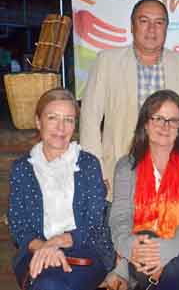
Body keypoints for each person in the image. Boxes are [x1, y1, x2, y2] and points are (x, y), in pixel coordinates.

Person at [80, 0, 179, 201]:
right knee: (121, 230)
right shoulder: (107, 61)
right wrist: (95, 171)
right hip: (119, 174)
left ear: (166, 27)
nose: (151, 30)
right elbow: (89, 118)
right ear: (132, 26)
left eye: (159, 22)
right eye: (144, 21)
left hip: (170, 175)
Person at [7, 88, 115, 290]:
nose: (61, 127)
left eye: (68, 119)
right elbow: (18, 225)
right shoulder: (22, 169)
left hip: (85, 250)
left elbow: (94, 223)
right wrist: (44, 248)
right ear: (38, 122)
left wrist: (56, 242)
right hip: (35, 250)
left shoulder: (88, 164)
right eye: (53, 118)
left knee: (49, 285)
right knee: (48, 283)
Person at [109, 89, 179, 290]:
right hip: (138, 247)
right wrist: (131, 248)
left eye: (173, 120)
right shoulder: (126, 167)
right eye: (158, 118)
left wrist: (167, 250)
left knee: (173, 268)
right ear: (145, 124)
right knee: (148, 260)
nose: (165, 126)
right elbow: (120, 216)